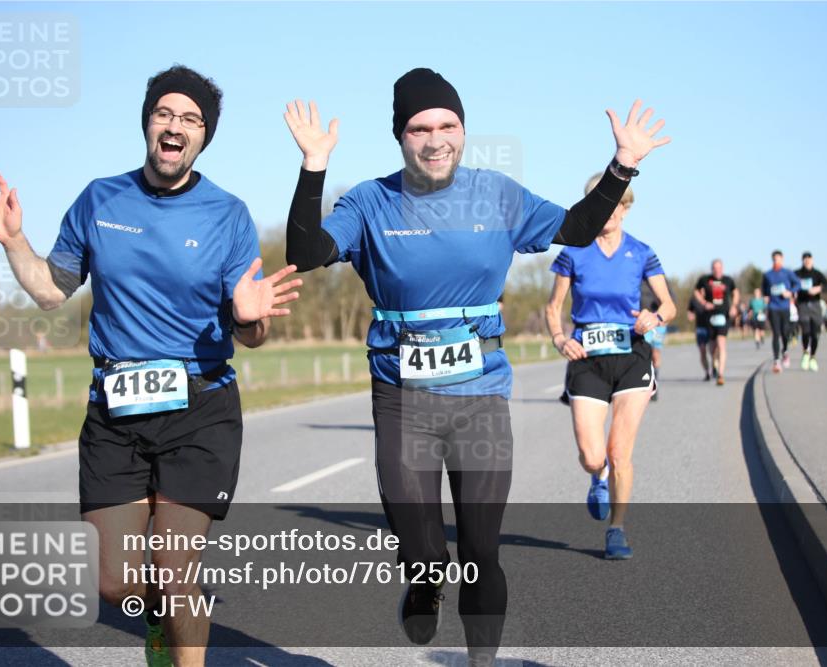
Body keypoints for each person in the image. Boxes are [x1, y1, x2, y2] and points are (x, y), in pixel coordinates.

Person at [282, 68, 670, 665]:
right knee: (422, 548)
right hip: (401, 395)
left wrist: (621, 166)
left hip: (481, 394)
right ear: (400, 135)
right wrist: (313, 167)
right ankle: (423, 581)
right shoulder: (368, 201)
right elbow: (306, 253)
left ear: (463, 131)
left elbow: (576, 226)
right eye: (419, 127)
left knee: (482, 550)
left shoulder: (498, 194)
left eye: (448, 125)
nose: (435, 139)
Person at [0, 65, 303, 667]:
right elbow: (50, 291)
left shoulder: (227, 213)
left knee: (176, 571)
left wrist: (250, 318)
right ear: (148, 124)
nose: (175, 126)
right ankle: (168, 614)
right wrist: (14, 240)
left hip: (200, 408)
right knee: (114, 586)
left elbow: (251, 335)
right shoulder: (100, 199)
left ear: (204, 137)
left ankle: (181, 622)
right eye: (164, 114)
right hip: (114, 411)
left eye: (191, 119)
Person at [546, 173, 675, 560]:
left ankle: (617, 530)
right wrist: (559, 339)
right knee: (592, 455)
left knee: (620, 452)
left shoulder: (641, 251)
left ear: (626, 207)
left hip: (632, 355)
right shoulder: (573, 252)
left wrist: (655, 318)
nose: (611, 211)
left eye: (618, 203)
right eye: (603, 203)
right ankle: (597, 476)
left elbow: (669, 305)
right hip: (586, 358)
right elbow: (554, 308)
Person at [693, 260, 738, 386]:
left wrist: (734, 306)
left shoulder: (728, 280)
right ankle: (715, 364)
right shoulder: (705, 279)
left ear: (722, 268)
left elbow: (736, 292)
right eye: (715, 268)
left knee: (721, 343)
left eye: (719, 267)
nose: (717, 270)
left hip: (724, 315)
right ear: (712, 268)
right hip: (710, 317)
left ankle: (721, 374)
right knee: (712, 348)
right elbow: (696, 291)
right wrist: (703, 302)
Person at [761, 250, 800, 373]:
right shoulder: (768, 274)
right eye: (774, 259)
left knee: (784, 332)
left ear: (782, 259)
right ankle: (776, 361)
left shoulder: (787, 273)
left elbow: (798, 284)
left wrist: (790, 292)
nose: (776, 261)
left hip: (784, 306)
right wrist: (765, 296)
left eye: (778, 259)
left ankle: (785, 351)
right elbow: (764, 289)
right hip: (773, 307)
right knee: (775, 333)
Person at [794, 251, 827, 372]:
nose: (807, 261)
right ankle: (805, 353)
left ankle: (813, 357)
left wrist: (818, 288)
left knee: (815, 334)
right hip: (803, 304)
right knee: (806, 331)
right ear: (802, 261)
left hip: (815, 304)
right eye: (805, 259)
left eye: (809, 259)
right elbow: (791, 285)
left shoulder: (817, 274)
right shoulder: (797, 273)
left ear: (812, 260)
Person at [688, 292, 713, 381]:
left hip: (711, 327)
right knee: (702, 351)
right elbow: (690, 313)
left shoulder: (710, 296)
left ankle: (715, 366)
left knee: (712, 350)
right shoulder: (694, 300)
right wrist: (691, 315)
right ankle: (707, 372)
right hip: (700, 328)